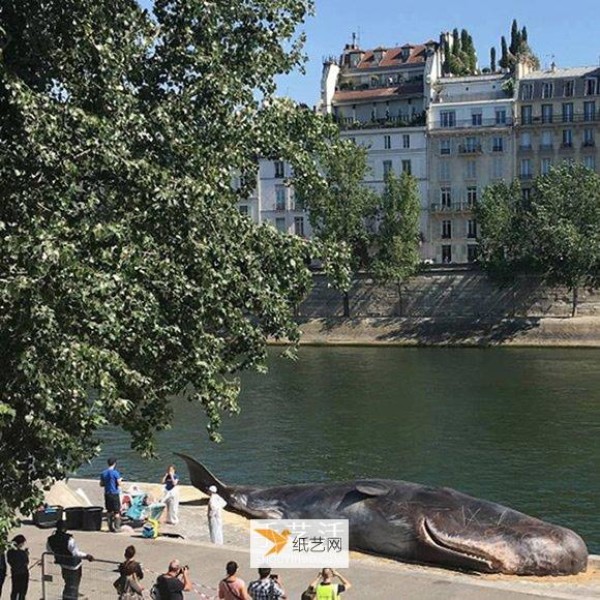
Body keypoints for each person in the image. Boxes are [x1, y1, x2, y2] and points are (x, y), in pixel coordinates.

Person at [46, 520, 94, 600]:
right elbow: (75, 553)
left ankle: (71, 596)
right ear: (65, 528)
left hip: (63, 564)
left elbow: (49, 550)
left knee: (68, 583)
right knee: (72, 585)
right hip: (73, 566)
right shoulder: (69, 539)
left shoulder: (50, 539)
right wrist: (87, 556)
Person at [100, 457, 123, 532]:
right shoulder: (115, 473)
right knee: (117, 512)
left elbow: (101, 484)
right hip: (114, 493)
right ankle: (117, 527)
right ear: (114, 463)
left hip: (107, 493)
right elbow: (119, 483)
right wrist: (120, 480)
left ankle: (110, 527)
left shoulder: (103, 473)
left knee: (109, 511)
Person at [6, 535, 29, 600]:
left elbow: (9, 561)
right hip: (23, 573)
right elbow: (26, 562)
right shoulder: (22, 553)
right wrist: (26, 554)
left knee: (15, 590)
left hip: (15, 573)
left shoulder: (10, 552)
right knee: (22, 592)